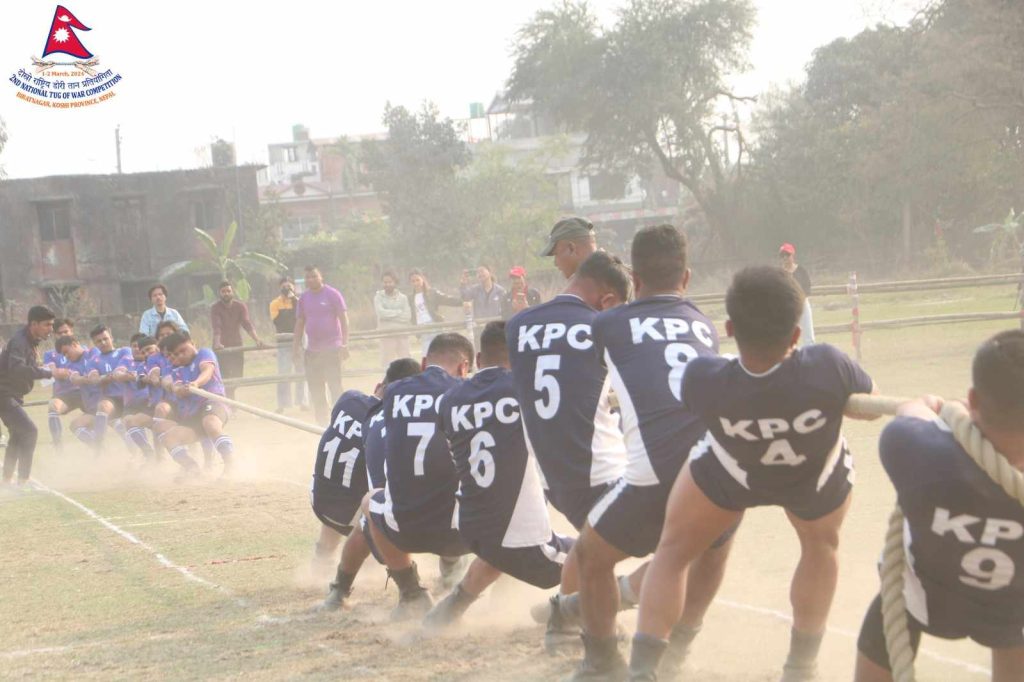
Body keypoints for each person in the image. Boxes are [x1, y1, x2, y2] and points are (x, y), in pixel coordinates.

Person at [627, 266, 879, 682]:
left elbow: (699, 400)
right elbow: (868, 407)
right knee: (821, 546)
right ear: (795, 334)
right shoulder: (827, 365)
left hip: (732, 470)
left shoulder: (704, 376)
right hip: (810, 475)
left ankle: (642, 671)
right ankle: (800, 668)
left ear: (729, 328)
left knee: (672, 552)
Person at [570, 225, 737, 680]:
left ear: (635, 279)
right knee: (713, 546)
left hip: (656, 473)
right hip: (719, 467)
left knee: (590, 554)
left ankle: (602, 660)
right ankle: (679, 648)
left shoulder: (607, 324)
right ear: (687, 278)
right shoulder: (703, 323)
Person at [854, 330, 1024, 682]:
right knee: (1015, 627)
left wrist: (935, 406)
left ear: (973, 398)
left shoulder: (917, 450)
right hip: (1010, 609)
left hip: (928, 602)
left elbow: (910, 415)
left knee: (889, 607)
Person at [506, 251, 636, 649]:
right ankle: (580, 609)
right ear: (607, 299)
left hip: (553, 474)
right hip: (601, 468)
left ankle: (562, 622)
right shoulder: (602, 325)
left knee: (591, 542)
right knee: (689, 541)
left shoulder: (518, 324)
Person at [424, 321, 575, 630]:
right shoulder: (526, 388)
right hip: (516, 533)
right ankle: (570, 614)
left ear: (479, 359)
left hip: (470, 526)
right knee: (594, 554)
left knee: (499, 549)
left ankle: (447, 611)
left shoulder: (451, 398)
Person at [360, 333, 476, 620]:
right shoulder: (469, 392)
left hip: (405, 529)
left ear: (424, 363)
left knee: (371, 500)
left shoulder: (396, 391)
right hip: (466, 533)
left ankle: (412, 593)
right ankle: (475, 587)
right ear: (464, 367)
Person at [315, 357, 422, 613]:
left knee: (344, 483)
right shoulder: (390, 424)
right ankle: (379, 564)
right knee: (369, 495)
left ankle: (320, 560)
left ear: (378, 386)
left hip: (319, 500)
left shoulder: (348, 399)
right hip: (355, 514)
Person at [155, 332, 234, 478]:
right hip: (192, 413)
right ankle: (192, 469)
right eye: (176, 354)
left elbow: (207, 370)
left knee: (210, 423)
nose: (180, 356)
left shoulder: (204, 354)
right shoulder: (175, 368)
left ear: (192, 343)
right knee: (169, 438)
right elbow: (172, 384)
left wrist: (196, 383)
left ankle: (230, 466)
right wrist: (176, 389)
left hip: (213, 403)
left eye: (183, 350)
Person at [0, 306, 55, 486]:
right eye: (47, 324)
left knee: (17, 434)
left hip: (12, 394)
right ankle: (23, 481)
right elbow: (17, 369)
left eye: (51, 324)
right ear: (34, 324)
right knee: (30, 431)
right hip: (3, 394)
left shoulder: (29, 340)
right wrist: (49, 373)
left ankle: (6, 480)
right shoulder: (20, 341)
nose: (50, 329)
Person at [293, 265, 350, 425]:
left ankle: (341, 422)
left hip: (332, 348)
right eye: (308, 277)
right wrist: (295, 346)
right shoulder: (304, 298)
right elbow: (300, 323)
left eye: (314, 276)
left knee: (335, 386)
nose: (311, 280)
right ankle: (322, 424)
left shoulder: (332, 294)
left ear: (321, 277)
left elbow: (344, 320)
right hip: (312, 350)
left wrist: (345, 343)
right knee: (316, 389)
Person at [211, 280, 265, 400]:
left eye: (228, 291)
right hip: (221, 349)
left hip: (237, 346)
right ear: (219, 293)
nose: (226, 293)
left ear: (232, 292)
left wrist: (257, 340)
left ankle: (230, 401)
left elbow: (246, 323)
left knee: (237, 376)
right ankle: (229, 404)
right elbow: (217, 326)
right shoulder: (215, 308)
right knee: (225, 377)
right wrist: (217, 343)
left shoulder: (240, 306)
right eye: (223, 291)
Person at [269, 277, 307, 413]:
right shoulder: (274, 304)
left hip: (299, 341)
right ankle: (282, 404)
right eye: (284, 287)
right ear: (280, 288)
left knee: (301, 372)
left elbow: (302, 318)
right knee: (283, 373)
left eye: (289, 287)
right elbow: (278, 321)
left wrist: (294, 301)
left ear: (294, 288)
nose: (287, 289)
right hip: (283, 341)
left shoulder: (299, 302)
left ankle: (302, 402)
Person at [43, 319, 80, 453]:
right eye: (60, 333)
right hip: (64, 395)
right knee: (53, 407)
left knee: (105, 411)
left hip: (85, 392)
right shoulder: (49, 354)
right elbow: (53, 373)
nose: (63, 335)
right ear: (55, 335)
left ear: (72, 332)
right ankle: (58, 446)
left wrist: (64, 372)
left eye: (66, 332)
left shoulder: (84, 350)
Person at [408, 269, 462, 357]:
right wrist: (415, 330)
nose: (416, 283)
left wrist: (463, 302)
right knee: (426, 355)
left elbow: (448, 299)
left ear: (423, 279)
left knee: (440, 352)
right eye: (413, 281)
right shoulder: (410, 298)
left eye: (417, 280)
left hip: (434, 325)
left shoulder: (432, 293)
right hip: (422, 328)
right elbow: (411, 315)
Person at [373, 270, 412, 368]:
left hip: (402, 334)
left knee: (406, 361)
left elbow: (407, 316)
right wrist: (398, 312)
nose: (387, 284)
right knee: (387, 362)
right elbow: (381, 313)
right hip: (387, 334)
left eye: (390, 282)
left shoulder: (403, 298)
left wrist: (389, 317)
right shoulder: (378, 297)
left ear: (395, 282)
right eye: (385, 282)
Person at [780, 243, 815, 347]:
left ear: (793, 255)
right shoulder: (780, 273)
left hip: (802, 304)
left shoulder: (801, 271)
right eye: (782, 255)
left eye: (787, 255)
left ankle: (809, 354)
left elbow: (807, 288)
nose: (785, 258)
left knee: (808, 335)